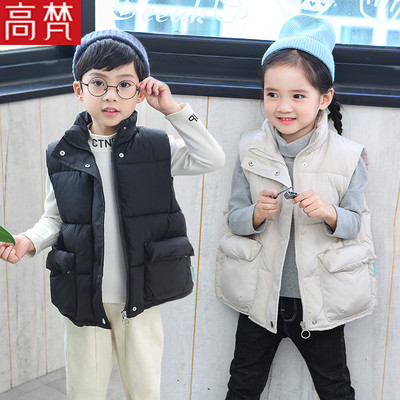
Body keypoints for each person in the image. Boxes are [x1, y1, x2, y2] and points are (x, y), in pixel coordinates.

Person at [0, 29, 224, 400]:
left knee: (144, 389)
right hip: (83, 292)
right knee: (84, 391)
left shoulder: (156, 147)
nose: (110, 96)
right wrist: (28, 241)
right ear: (79, 90)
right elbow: (55, 219)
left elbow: (211, 158)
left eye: (124, 85)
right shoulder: (61, 154)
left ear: (140, 92)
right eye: (98, 84)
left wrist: (173, 110)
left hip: (141, 292)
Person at [215, 15, 376, 400]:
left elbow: (354, 225)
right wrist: (256, 214)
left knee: (335, 388)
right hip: (260, 299)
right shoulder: (249, 149)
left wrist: (328, 212)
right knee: (242, 386)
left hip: (320, 302)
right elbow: (235, 218)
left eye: (298, 96)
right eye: (272, 94)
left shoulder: (349, 157)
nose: (283, 106)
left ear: (324, 98)